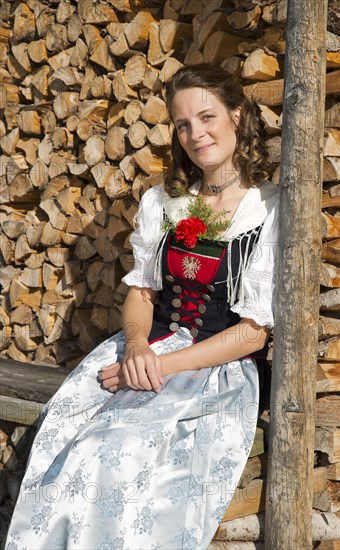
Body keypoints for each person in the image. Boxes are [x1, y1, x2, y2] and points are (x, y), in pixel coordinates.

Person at [5, 63, 279, 550]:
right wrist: (136, 348)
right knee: (63, 438)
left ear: (237, 116)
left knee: (114, 452)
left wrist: (158, 367)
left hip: (218, 368)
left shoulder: (271, 208)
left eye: (207, 116)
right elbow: (142, 293)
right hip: (147, 349)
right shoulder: (164, 202)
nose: (196, 134)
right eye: (182, 124)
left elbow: (254, 332)